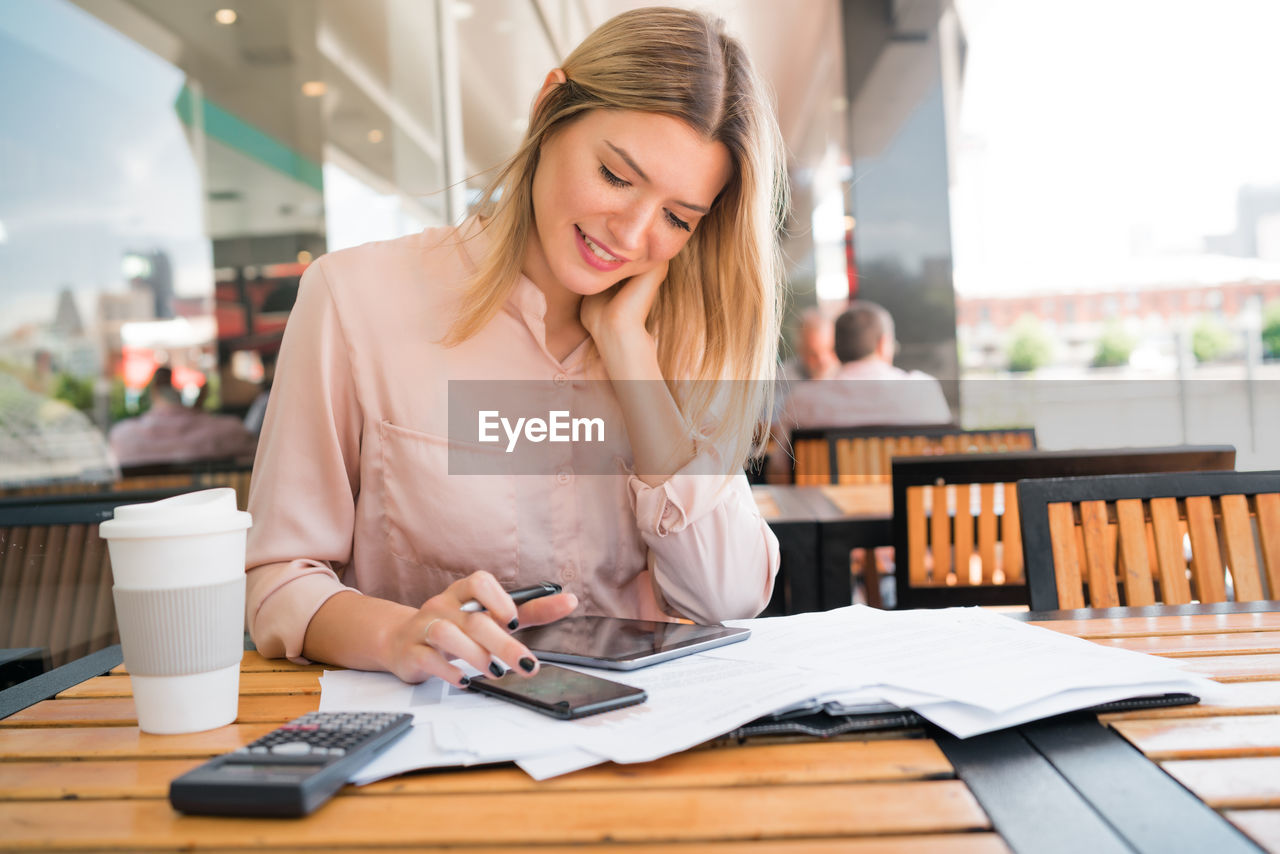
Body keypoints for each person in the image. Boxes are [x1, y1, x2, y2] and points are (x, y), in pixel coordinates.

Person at [245, 8, 787, 688]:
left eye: (678, 218)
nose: (632, 233)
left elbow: (729, 596)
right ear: (550, 108)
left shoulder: (677, 335)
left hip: (638, 742)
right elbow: (279, 579)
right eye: (617, 177)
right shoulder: (354, 300)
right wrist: (396, 635)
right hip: (438, 746)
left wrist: (627, 354)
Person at [770, 301, 951, 476]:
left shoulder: (802, 401)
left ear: (836, 347)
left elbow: (780, 471)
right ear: (883, 344)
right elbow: (943, 458)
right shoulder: (925, 389)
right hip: (905, 506)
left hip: (825, 506)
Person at [108, 367, 257, 467]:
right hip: (211, 506)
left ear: (154, 390)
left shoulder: (123, 435)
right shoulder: (229, 431)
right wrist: (197, 411)